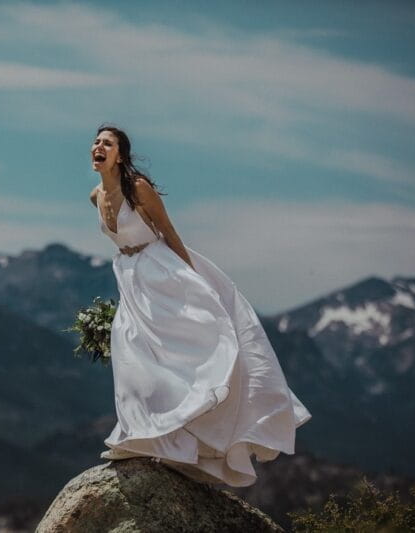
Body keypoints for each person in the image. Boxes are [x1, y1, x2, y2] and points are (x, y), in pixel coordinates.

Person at [90, 123, 312, 487]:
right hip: (131, 280)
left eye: (107, 143)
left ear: (120, 155)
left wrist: (198, 281)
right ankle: (139, 434)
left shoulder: (138, 189)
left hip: (161, 272)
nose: (98, 147)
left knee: (185, 352)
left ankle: (196, 426)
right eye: (96, 142)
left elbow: (169, 233)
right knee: (130, 350)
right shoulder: (95, 196)